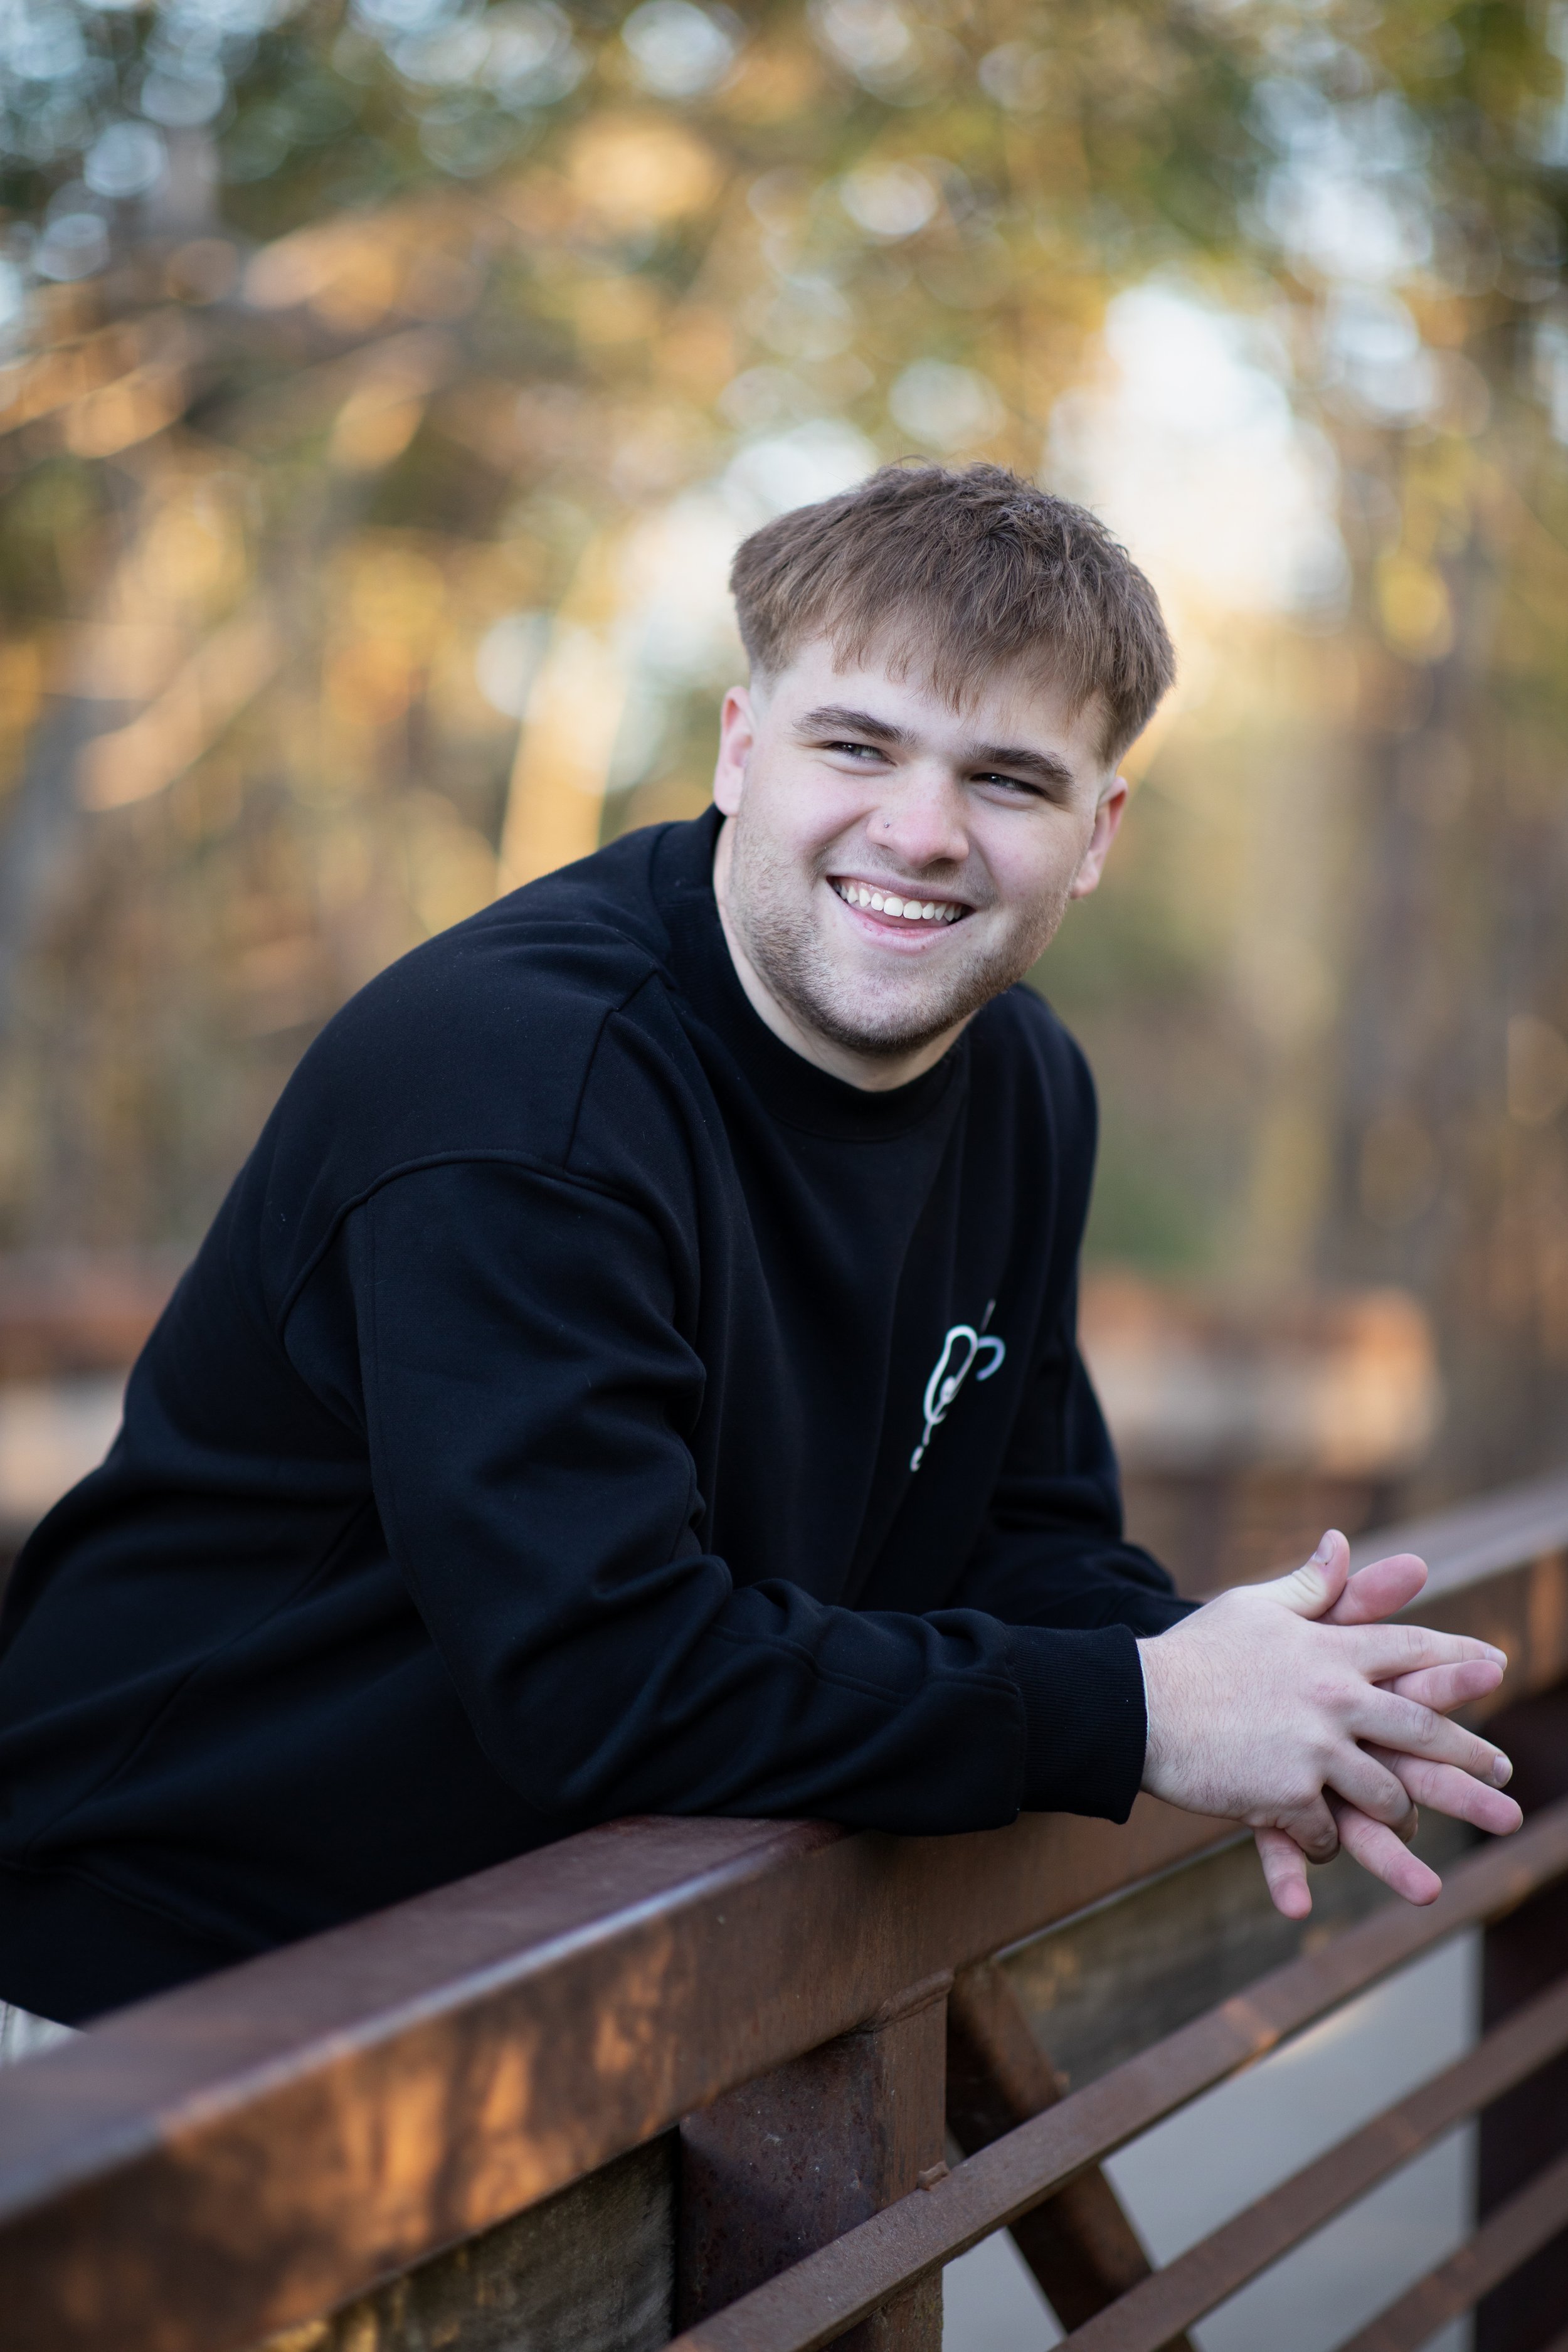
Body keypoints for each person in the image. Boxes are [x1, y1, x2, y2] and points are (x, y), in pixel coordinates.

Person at [0, 463, 1518, 2047]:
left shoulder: (1021, 1084)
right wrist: (1136, 1713)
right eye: (856, 745)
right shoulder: (519, 1083)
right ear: (739, 748)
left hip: (549, 1981)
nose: (919, 832)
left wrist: (1235, 1674)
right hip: (139, 1989)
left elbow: (1018, 1534)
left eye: (1007, 780)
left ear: (1095, 833)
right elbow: (606, 1680)